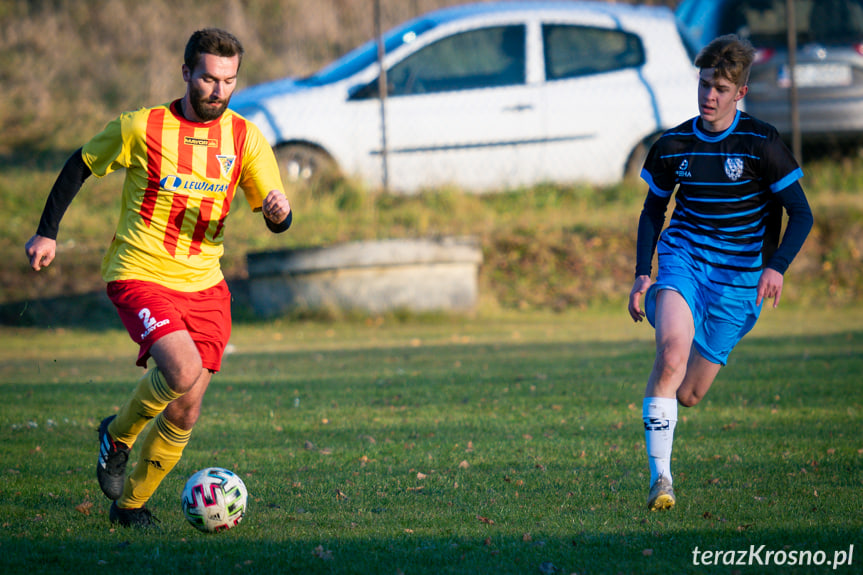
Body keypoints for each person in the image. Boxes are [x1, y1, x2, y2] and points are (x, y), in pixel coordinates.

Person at [24, 28, 292, 527]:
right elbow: (80, 165)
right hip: (140, 271)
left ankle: (129, 508)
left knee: (187, 410)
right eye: (209, 78)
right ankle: (118, 436)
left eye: (229, 81)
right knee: (182, 370)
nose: (218, 90)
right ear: (186, 72)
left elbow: (275, 212)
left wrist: (279, 211)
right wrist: (47, 233)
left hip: (206, 284)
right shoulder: (140, 127)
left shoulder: (245, 138)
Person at [627, 34, 813, 511]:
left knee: (688, 393)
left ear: (740, 93)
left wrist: (776, 267)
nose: (710, 95)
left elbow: (801, 213)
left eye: (721, 88)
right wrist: (642, 274)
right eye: (705, 84)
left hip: (738, 281)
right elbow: (653, 211)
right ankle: (660, 480)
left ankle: (665, 394)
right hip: (683, 259)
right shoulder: (674, 144)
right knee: (671, 357)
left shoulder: (760, 143)